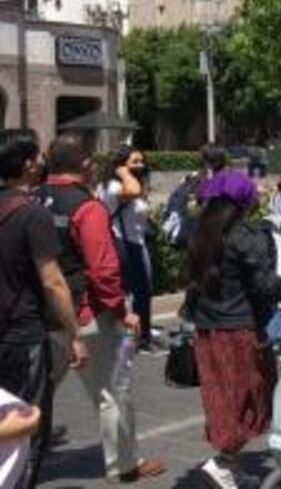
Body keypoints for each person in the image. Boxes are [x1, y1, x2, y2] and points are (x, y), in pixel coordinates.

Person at [38, 134, 164, 484]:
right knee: (110, 393)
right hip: (85, 314)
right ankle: (123, 465)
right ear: (85, 164)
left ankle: (19, 452)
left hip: (40, 315)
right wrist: (123, 311)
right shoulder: (87, 207)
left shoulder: (33, 198)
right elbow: (103, 270)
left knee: (35, 392)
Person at [185, 171, 281, 488]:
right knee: (250, 396)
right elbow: (266, 285)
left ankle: (228, 463)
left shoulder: (199, 233)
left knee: (223, 397)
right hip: (239, 329)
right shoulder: (246, 236)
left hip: (207, 330)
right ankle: (222, 463)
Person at [0, 136, 87, 487]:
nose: (42, 161)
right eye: (37, 156)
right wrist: (74, 334)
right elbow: (53, 282)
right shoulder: (33, 214)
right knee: (27, 427)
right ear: (27, 164)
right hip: (23, 336)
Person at [98, 144, 160, 353]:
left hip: (135, 242)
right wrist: (124, 172)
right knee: (136, 293)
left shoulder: (124, 182)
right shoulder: (114, 186)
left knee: (141, 293)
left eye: (142, 161)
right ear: (120, 164)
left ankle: (139, 336)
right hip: (124, 244)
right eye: (134, 162)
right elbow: (133, 191)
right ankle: (138, 339)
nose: (140, 165)